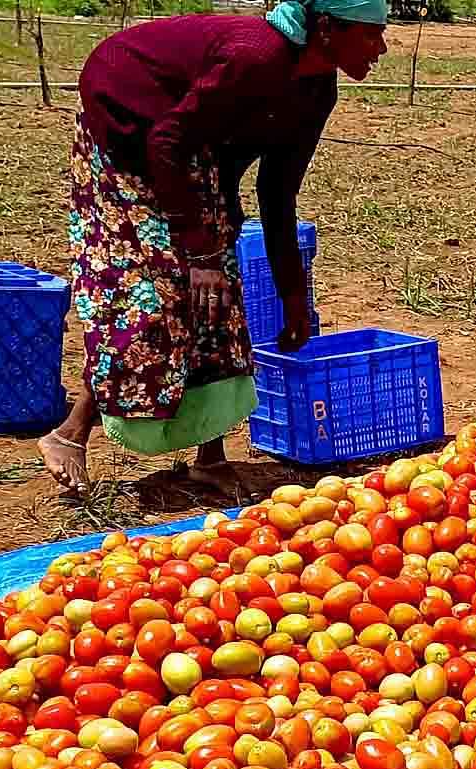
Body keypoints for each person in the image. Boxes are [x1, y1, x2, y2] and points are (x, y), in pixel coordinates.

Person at [37, 0, 388, 497]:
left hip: (189, 144)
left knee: (217, 287)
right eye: (370, 33)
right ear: (327, 28)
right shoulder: (256, 56)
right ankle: (69, 434)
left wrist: (292, 295)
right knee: (154, 294)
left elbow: (278, 190)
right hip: (129, 125)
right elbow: (166, 141)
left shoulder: (316, 86)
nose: (381, 48)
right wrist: (197, 255)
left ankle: (210, 457)